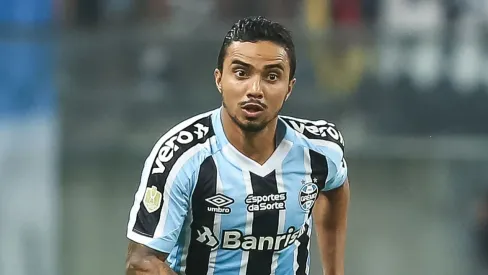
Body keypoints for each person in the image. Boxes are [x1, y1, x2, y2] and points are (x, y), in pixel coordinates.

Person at [125, 16, 350, 275]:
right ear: (219, 79)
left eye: (272, 76)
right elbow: (140, 264)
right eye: (241, 73)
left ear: (289, 88)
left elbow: (336, 187)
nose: (255, 89)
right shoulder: (181, 157)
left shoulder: (320, 149)